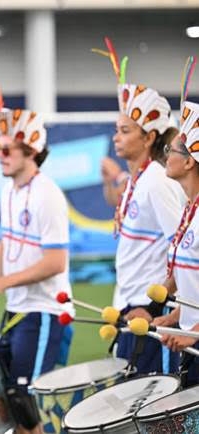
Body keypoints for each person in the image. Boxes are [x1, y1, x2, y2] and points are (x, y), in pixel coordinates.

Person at [0, 66, 73, 434]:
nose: (0, 155)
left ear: (31, 150)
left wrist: (3, 282)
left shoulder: (47, 194)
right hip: (18, 310)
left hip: (45, 312)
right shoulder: (11, 189)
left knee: (27, 407)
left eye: (7, 149)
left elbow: (56, 261)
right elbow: (10, 242)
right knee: (9, 403)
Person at [96, 39, 185, 375]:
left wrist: (153, 306)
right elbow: (123, 209)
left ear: (148, 137)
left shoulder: (157, 181)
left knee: (153, 408)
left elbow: (182, 252)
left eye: (125, 130)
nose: (116, 137)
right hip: (130, 307)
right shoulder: (137, 179)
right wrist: (111, 182)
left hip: (150, 309)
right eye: (116, 130)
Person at [155, 82, 199, 386]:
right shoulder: (190, 208)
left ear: (189, 161)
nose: (166, 153)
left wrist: (194, 330)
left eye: (172, 149)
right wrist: (176, 318)